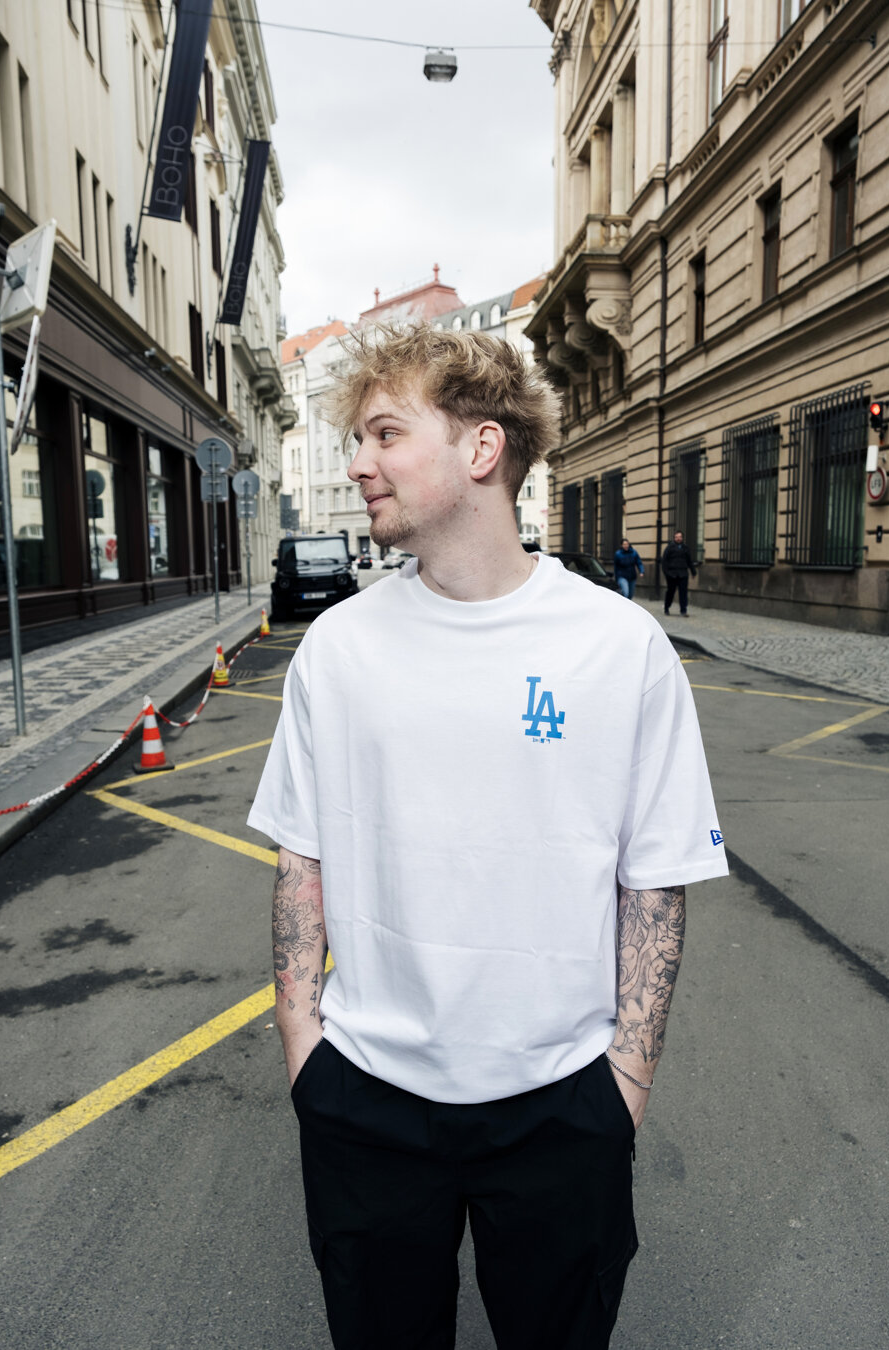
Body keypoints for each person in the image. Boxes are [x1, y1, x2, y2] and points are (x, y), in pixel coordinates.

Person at [248, 326, 728, 1350]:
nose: (358, 463)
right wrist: (305, 1057)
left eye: (385, 434)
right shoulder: (337, 648)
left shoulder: (620, 647)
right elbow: (301, 860)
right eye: (357, 438)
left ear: (481, 448)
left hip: (561, 1103)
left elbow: (655, 881)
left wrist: (625, 1085)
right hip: (366, 1099)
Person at [662, 530, 697, 616]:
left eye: (680, 537)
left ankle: (683, 610)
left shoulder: (685, 548)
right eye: (677, 537)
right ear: (674, 538)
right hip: (672, 574)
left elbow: (689, 561)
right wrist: (666, 573)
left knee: (683, 593)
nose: (678, 538)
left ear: (682, 538)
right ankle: (666, 607)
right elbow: (664, 561)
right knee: (670, 592)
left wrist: (693, 572)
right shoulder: (669, 548)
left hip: (683, 574)